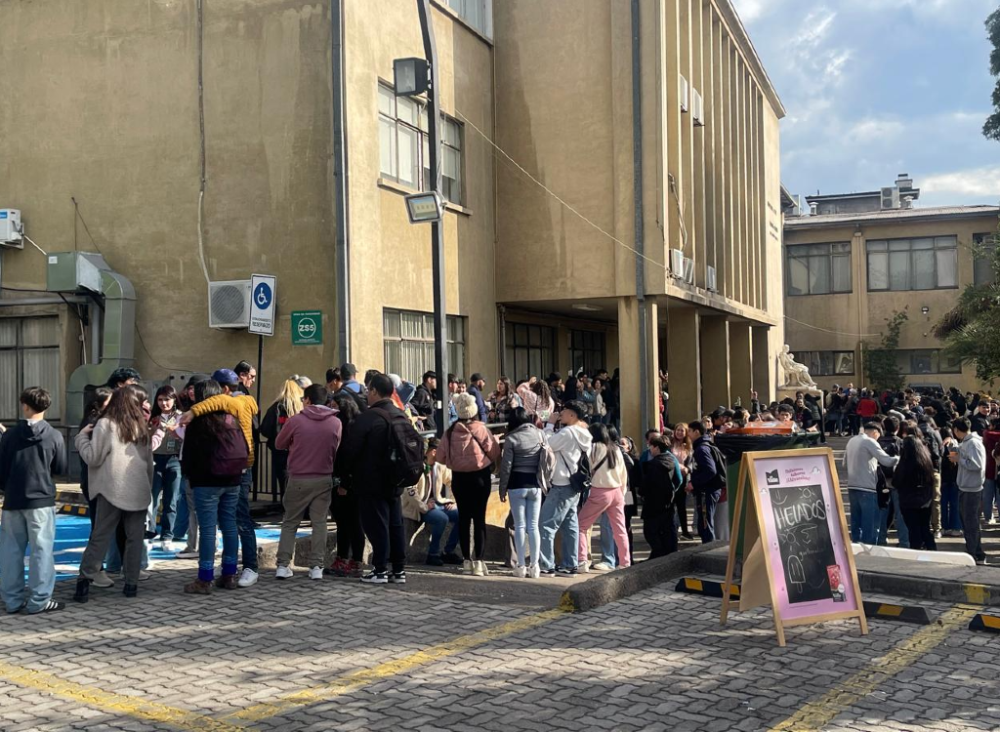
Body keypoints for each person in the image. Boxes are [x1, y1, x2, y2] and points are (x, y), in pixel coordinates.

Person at [180, 368, 260, 588]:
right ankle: (229, 575)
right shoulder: (233, 415)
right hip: (233, 478)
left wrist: (189, 476)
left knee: (208, 529)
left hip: (206, 481)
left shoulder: (200, 422)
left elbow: (190, 455)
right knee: (230, 526)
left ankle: (204, 579)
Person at [74, 385, 154, 602]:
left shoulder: (106, 424)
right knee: (134, 538)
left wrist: (80, 439)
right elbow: (149, 464)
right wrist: (148, 486)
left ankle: (84, 582)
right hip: (138, 489)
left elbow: (93, 458)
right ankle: (131, 584)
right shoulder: (142, 426)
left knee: (100, 535)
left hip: (111, 488)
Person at [0, 387, 67, 615]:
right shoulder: (55, 435)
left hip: (13, 499)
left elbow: (2, 470)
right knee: (42, 551)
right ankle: (39, 600)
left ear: (24, 405)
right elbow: (60, 468)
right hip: (42, 499)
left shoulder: (9, 436)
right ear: (47, 407)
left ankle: (12, 600)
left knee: (11, 552)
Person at [339, 373, 411, 584]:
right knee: (396, 525)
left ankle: (379, 569)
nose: (366, 393)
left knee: (377, 525)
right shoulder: (400, 414)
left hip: (371, 481)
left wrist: (345, 480)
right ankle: (398, 570)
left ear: (375, 392)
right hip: (396, 480)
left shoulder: (369, 418)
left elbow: (350, 451)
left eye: (368, 389)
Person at [273, 384, 342, 581]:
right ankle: (316, 566)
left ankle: (283, 565)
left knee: (290, 522)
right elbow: (336, 447)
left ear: (308, 400)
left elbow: (279, 443)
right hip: (324, 477)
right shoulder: (335, 423)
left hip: (299, 477)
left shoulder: (296, 420)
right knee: (319, 523)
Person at [438, 393, 501, 577]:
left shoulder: (450, 432)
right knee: (479, 518)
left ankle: (466, 561)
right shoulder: (481, 429)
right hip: (480, 478)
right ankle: (480, 562)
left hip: (459, 479)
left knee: (464, 519)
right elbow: (494, 452)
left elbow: (441, 457)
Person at [539, 401, 592, 576]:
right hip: (574, 485)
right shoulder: (585, 433)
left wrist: (550, 424)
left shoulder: (568, 432)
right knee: (570, 526)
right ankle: (570, 564)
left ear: (573, 415)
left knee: (546, 526)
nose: (561, 413)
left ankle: (547, 565)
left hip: (561, 484)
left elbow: (546, 445)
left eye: (564, 411)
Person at [498, 408, 548, 578]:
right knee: (534, 526)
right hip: (535, 484)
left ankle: (520, 565)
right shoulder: (540, 435)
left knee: (519, 525)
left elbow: (506, 467)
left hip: (516, 484)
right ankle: (535, 567)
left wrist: (502, 488)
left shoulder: (511, 438)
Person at [577, 424, 630, 571]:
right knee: (620, 529)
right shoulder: (616, 449)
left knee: (581, 526)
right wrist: (622, 492)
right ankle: (625, 562)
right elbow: (623, 474)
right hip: (617, 492)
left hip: (599, 491)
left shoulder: (593, 448)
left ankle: (582, 561)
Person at [404, 438, 461, 566]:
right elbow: (410, 491)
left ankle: (448, 551)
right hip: (419, 507)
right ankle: (433, 554)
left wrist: (453, 500)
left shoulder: (440, 466)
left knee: (461, 515)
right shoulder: (417, 466)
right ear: (434, 452)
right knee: (441, 518)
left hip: (436, 503)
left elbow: (453, 482)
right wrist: (424, 507)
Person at [844, 423, 899, 545]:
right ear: (875, 432)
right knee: (870, 522)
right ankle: (869, 548)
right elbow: (887, 461)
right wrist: (899, 459)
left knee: (856, 520)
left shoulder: (851, 441)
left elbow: (844, 462)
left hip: (852, 485)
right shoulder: (870, 442)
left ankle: (856, 545)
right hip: (867, 487)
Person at [328, 394, 365, 577]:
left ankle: (354, 560)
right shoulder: (343, 425)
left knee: (352, 523)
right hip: (344, 481)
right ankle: (343, 558)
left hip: (350, 483)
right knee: (343, 522)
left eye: (335, 406)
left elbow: (349, 459)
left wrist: (345, 483)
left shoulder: (350, 428)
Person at [148, 386, 183, 551]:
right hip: (154, 460)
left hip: (174, 460)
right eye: (160, 399)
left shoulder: (181, 417)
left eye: (167, 399)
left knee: (171, 500)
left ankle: (167, 536)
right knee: (152, 499)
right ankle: (150, 533)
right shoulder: (152, 418)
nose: (164, 403)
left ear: (174, 399)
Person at [950, 418, 988, 565]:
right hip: (966, 487)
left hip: (972, 489)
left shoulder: (973, 443)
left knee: (971, 523)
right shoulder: (967, 442)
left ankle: (976, 554)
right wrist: (956, 451)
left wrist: (960, 459)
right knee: (968, 523)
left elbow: (976, 465)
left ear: (957, 430)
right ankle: (974, 552)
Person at [260, 379, 305, 496]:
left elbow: (265, 429)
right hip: (300, 452)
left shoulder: (275, 408)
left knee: (284, 483)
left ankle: (286, 510)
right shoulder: (302, 408)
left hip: (279, 452)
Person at [640, 436, 684, 558]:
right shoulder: (672, 460)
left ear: (657, 448)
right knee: (667, 530)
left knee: (650, 532)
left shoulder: (653, 465)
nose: (650, 449)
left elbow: (646, 486)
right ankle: (666, 554)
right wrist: (672, 491)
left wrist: (642, 493)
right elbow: (679, 479)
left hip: (652, 503)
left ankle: (658, 554)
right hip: (668, 502)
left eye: (651, 447)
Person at [894, 435, 937, 551]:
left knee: (913, 530)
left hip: (908, 502)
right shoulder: (926, 461)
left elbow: (896, 481)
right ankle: (932, 549)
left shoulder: (904, 463)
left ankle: (916, 551)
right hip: (925, 500)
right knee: (925, 528)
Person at [78, 387, 113, 523]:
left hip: (91, 478)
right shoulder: (95, 423)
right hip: (98, 478)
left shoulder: (91, 421)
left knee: (98, 519)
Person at [688, 421, 724, 543]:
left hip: (707, 491)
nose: (688, 434)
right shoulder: (703, 445)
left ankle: (708, 549)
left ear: (696, 432)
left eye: (690, 431)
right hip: (707, 490)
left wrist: (694, 483)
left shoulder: (702, 449)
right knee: (704, 522)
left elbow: (710, 470)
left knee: (705, 523)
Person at [669, 423, 694, 540]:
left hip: (683, 479)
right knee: (671, 506)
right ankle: (672, 530)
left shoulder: (689, 447)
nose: (679, 433)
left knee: (681, 507)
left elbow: (692, 463)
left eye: (682, 431)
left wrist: (688, 469)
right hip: (671, 478)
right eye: (677, 430)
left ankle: (685, 531)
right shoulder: (670, 445)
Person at [939, 426, 962, 537]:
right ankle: (956, 527)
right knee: (954, 504)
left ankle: (944, 526)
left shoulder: (941, 445)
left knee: (943, 504)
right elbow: (954, 462)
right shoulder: (955, 445)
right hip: (954, 478)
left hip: (943, 478)